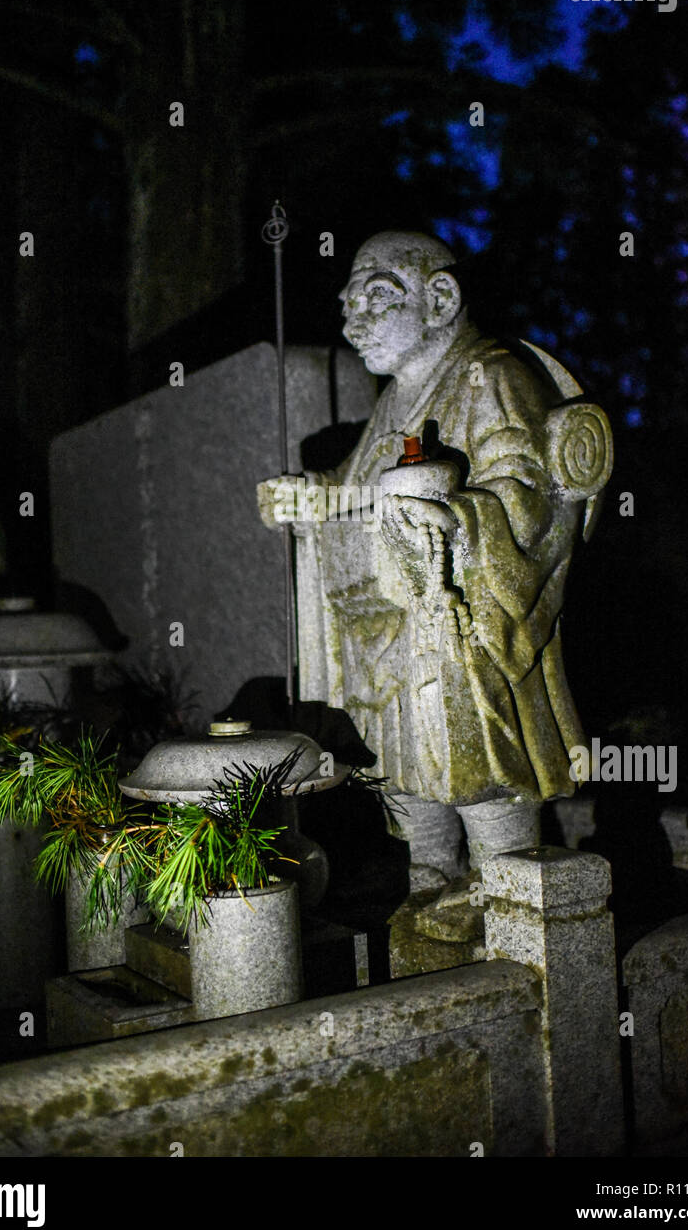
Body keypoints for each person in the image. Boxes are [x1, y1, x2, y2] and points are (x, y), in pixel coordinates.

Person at [258, 231, 612, 903]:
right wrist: (314, 495)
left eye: (375, 300)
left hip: (452, 612)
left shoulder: (487, 374)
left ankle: (510, 893)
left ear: (439, 298)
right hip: (386, 620)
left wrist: (456, 518)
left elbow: (527, 491)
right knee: (402, 770)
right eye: (347, 305)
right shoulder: (394, 397)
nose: (351, 320)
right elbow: (367, 484)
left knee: (473, 759)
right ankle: (429, 880)